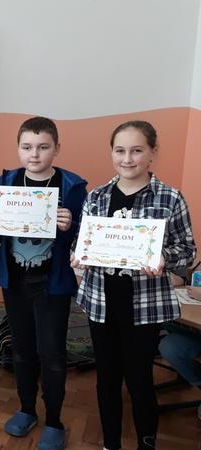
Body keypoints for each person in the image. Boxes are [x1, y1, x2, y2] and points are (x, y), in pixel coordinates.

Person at [72, 120, 196, 449]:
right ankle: (110, 443)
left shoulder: (170, 197)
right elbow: (81, 243)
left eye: (137, 150)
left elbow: (187, 251)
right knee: (107, 379)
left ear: (152, 153)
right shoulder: (97, 197)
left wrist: (163, 258)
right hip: (101, 301)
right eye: (120, 150)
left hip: (144, 305)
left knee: (140, 379)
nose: (127, 159)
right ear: (112, 153)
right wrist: (78, 256)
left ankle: (146, 443)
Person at [0, 116, 87, 450]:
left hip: (52, 285)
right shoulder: (7, 181)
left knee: (52, 354)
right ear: (18, 149)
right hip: (16, 282)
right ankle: (26, 409)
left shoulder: (72, 187)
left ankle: (54, 420)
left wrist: (71, 226)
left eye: (43, 147)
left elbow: (86, 242)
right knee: (22, 350)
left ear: (56, 148)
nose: (34, 154)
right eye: (27, 147)